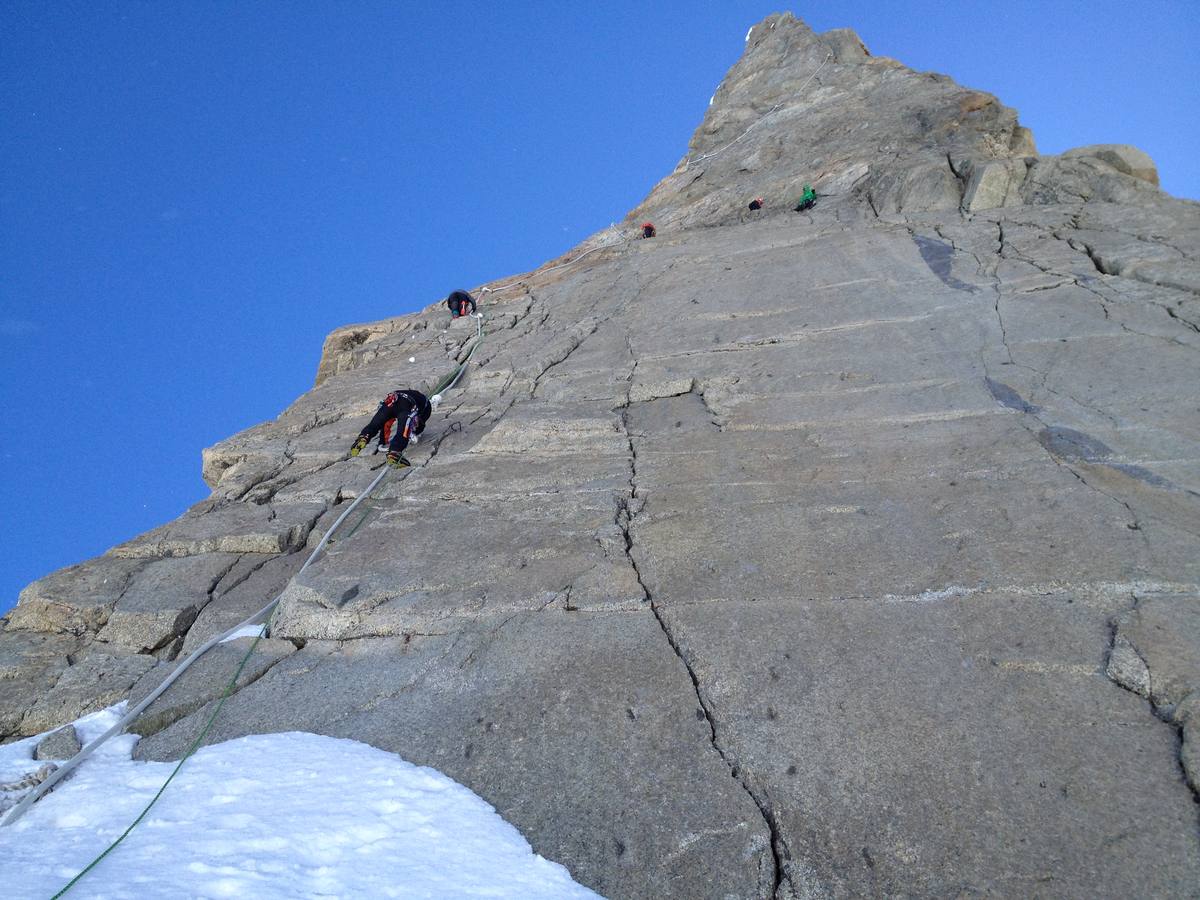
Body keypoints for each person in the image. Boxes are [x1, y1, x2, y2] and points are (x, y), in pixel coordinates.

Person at [349, 389, 433, 468]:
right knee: (403, 432)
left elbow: (386, 424)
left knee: (375, 424)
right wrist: (414, 432)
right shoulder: (427, 407)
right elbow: (419, 425)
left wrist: (383, 442)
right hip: (407, 404)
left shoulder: (413, 394)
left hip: (392, 399)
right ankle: (394, 452)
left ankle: (364, 436)